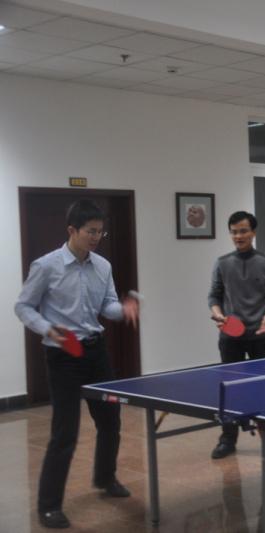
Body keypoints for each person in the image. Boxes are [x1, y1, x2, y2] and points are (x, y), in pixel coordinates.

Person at [15, 199, 140, 529]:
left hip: (97, 352)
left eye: (100, 232)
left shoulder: (103, 266)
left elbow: (107, 305)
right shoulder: (46, 266)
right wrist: (47, 329)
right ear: (72, 230)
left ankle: (106, 478)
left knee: (110, 420)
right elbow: (23, 307)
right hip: (63, 356)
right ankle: (48, 506)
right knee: (65, 432)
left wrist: (123, 310)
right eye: (90, 231)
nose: (96, 237)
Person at [208, 211, 265, 458]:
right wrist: (218, 314)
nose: (238, 236)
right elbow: (214, 295)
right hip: (230, 337)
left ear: (253, 232)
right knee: (230, 390)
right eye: (234, 232)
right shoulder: (222, 263)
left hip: (260, 335)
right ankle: (227, 438)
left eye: (243, 231)